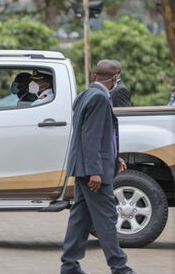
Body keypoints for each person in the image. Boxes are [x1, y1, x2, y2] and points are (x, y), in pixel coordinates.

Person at [61, 60, 135, 274]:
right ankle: (120, 267)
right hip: (93, 171)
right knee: (107, 217)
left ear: (95, 76)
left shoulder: (84, 95)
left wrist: (114, 158)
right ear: (114, 78)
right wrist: (96, 171)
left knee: (80, 218)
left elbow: (99, 136)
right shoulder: (101, 98)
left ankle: (69, 265)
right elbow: (91, 137)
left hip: (83, 166)